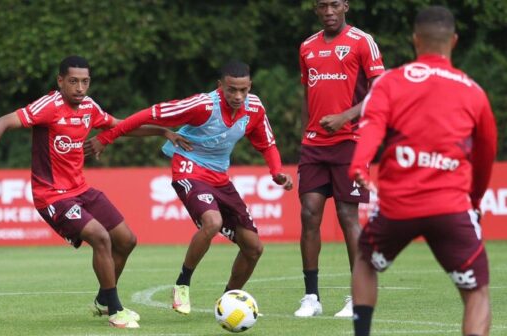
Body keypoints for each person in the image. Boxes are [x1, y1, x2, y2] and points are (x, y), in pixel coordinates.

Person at [0, 55, 190, 329]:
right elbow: (1, 123)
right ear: (60, 81)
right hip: (52, 195)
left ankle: (104, 299)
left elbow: (121, 126)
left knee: (127, 240)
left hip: (81, 189)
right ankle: (115, 310)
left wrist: (164, 132)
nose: (80, 88)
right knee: (100, 237)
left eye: (85, 81)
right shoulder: (49, 106)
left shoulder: (89, 107)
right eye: (73, 81)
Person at [87, 60, 294, 315]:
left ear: (250, 86)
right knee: (212, 222)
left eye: (243, 90)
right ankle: (182, 284)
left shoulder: (255, 108)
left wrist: (276, 172)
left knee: (254, 248)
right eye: (231, 90)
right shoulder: (202, 106)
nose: (238, 96)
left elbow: (267, 144)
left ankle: (228, 303)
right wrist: (107, 137)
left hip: (220, 177)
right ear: (220, 86)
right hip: (190, 167)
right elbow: (150, 113)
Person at [348, 6, 496, 336]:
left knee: (364, 260)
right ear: (454, 41)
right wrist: (473, 199)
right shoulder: (474, 92)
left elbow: (371, 125)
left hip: (397, 207)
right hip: (451, 208)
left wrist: (360, 165)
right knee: (476, 291)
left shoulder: (391, 82)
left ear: (415, 40)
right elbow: (485, 156)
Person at [295, 0, 385, 318]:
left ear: (345, 5)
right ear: (316, 10)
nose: (328, 11)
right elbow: (307, 92)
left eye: (334, 4)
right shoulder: (306, 46)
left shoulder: (362, 41)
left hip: (351, 142)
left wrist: (346, 115)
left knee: (348, 216)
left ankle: (356, 297)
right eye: (322, 6)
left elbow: (381, 91)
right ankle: (311, 298)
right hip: (314, 145)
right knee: (309, 215)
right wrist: (304, 135)